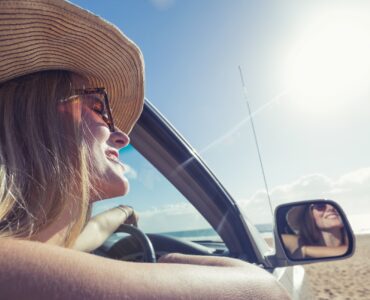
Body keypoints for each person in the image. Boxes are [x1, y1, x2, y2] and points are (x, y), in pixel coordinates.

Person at [0, 0, 290, 299]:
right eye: (99, 108)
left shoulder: (43, 248)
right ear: (37, 118)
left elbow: (93, 232)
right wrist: (168, 262)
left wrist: (124, 212)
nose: (122, 137)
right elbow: (266, 291)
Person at [282, 203, 348, 259]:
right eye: (320, 205)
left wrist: (305, 250)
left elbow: (347, 250)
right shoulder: (298, 241)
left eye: (335, 205)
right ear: (309, 216)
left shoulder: (350, 240)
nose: (331, 208)